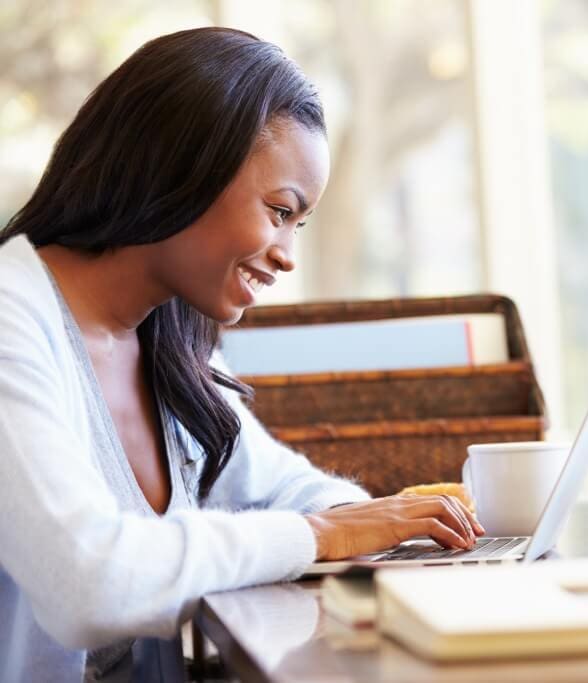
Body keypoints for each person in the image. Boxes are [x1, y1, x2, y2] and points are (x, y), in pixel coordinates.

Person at [0, 27, 483, 682]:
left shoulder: (166, 338)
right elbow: (88, 580)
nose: (287, 254)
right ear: (181, 164)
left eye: (299, 223)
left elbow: (285, 487)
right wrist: (321, 535)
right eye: (280, 210)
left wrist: (376, 523)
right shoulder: (12, 318)